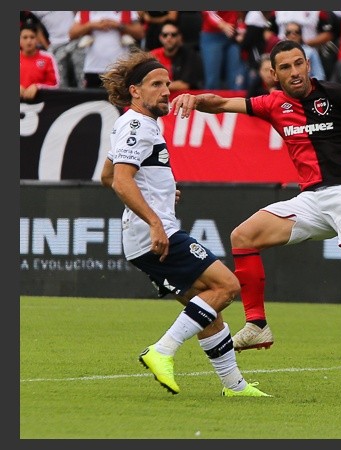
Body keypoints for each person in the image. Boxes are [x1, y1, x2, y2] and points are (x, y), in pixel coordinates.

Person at [169, 39, 341, 397]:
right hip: (310, 199)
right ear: (274, 74)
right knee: (243, 236)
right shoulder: (273, 103)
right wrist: (195, 99)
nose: (295, 72)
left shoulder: (336, 94)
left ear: (308, 65)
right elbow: (222, 103)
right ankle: (257, 324)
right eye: (286, 67)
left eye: (299, 63)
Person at [98, 49, 269, 397]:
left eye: (168, 84)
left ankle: (235, 386)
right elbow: (119, 181)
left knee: (206, 307)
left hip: (145, 233)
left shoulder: (140, 124)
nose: (166, 91)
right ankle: (162, 351)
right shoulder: (136, 124)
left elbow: (107, 174)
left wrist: (158, 195)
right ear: (135, 90)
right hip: (154, 234)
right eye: (156, 84)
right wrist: (155, 221)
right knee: (227, 286)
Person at [68, 11, 144, 89]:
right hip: (93, 69)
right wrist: (91, 25)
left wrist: (118, 26)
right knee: (93, 100)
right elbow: (71, 34)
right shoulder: (86, 12)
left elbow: (140, 33)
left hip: (120, 70)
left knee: (119, 99)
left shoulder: (127, 11)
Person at [149, 21, 204, 92]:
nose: (169, 38)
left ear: (179, 37)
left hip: (181, 98)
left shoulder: (189, 55)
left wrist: (157, 86)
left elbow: (184, 85)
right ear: (160, 37)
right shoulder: (153, 55)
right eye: (165, 35)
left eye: (173, 35)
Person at [20, 22, 59, 100]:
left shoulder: (48, 57)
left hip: (40, 105)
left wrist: (38, 87)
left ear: (37, 40)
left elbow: (55, 85)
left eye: (32, 37)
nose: (28, 41)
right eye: (25, 37)